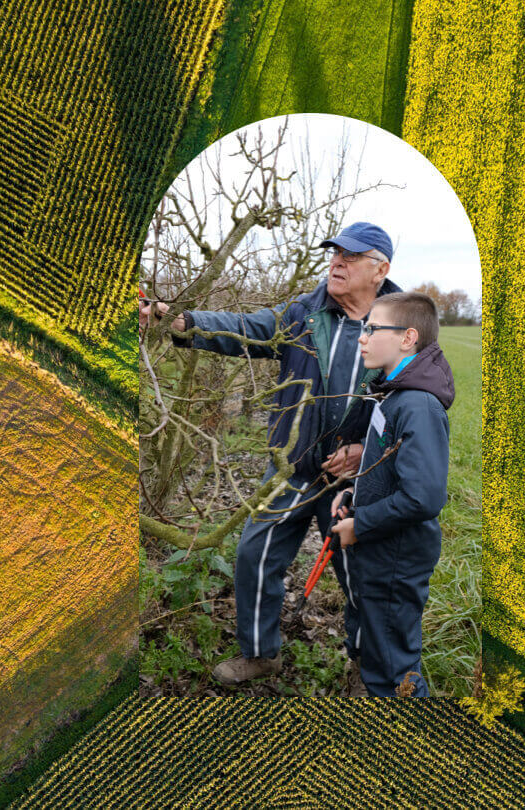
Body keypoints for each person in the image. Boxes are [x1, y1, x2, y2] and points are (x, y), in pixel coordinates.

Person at [140, 222, 402, 692]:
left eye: (351, 256)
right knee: (254, 552)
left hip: (357, 480)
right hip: (295, 464)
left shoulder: (404, 326)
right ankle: (260, 654)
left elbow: (428, 398)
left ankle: (369, 667)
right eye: (335, 253)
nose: (337, 262)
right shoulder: (305, 313)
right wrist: (179, 320)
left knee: (362, 574)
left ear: (380, 269)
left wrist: (367, 451)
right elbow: (245, 328)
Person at [328, 291, 454, 697]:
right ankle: (368, 683)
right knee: (371, 635)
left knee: (394, 664)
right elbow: (390, 470)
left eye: (372, 328)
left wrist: (361, 523)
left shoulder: (416, 405)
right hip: (378, 548)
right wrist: (354, 493)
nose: (362, 338)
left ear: (407, 338)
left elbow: (423, 497)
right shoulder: (394, 394)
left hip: (395, 557)